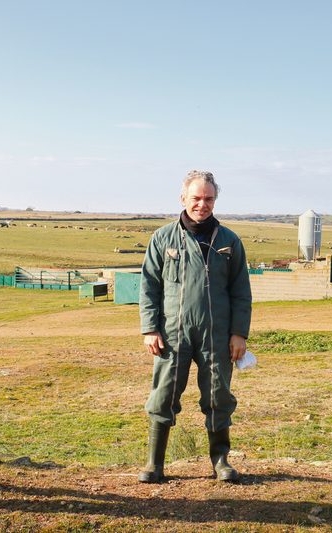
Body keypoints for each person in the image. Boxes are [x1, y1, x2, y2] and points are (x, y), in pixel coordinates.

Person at [138, 170, 252, 484]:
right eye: (196, 198)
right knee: (164, 394)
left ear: (215, 200)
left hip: (217, 334)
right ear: (183, 199)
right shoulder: (163, 239)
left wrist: (239, 333)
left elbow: (241, 291)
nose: (202, 204)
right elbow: (149, 287)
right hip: (172, 333)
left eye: (208, 199)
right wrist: (150, 329)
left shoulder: (229, 241)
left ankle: (221, 462)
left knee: (218, 395)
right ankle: (154, 464)